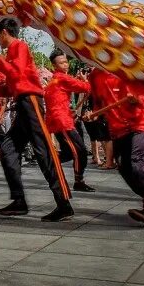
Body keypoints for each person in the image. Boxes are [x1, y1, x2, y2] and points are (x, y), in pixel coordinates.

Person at [0, 18, 74, 222]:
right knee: (8, 150)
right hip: (22, 105)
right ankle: (19, 201)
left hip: (31, 102)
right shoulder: (12, 52)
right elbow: (13, 84)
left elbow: (16, 74)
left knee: (44, 152)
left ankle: (63, 203)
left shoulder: (20, 46)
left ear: (4, 32)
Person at [42, 49, 95, 192]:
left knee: (68, 152)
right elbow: (87, 88)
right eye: (62, 63)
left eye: (66, 62)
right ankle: (78, 180)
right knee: (80, 151)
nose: (65, 65)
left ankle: (49, 163)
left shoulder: (54, 79)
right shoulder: (62, 78)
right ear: (54, 66)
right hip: (62, 121)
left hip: (61, 119)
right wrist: (85, 80)